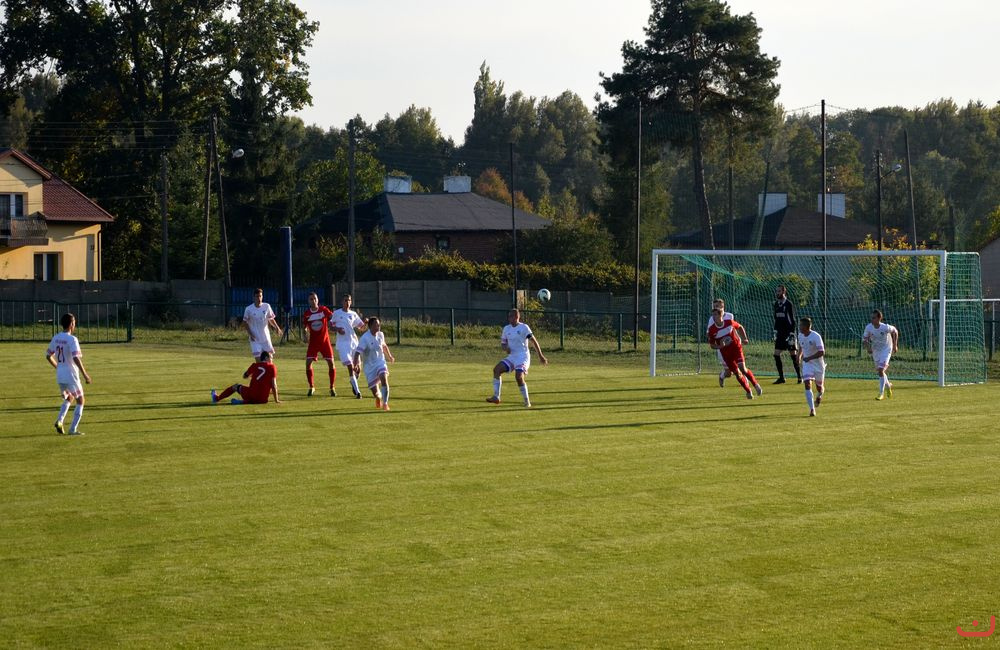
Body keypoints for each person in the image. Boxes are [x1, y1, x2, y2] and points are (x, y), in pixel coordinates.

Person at [486, 308, 548, 407]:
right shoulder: (506, 329)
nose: (509, 318)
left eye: (511, 316)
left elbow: (533, 341)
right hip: (512, 357)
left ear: (517, 317)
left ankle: (527, 401)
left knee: (518, 377)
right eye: (508, 316)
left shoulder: (524, 327)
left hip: (523, 356)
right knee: (496, 370)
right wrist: (506, 348)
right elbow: (503, 344)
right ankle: (496, 397)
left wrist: (540, 356)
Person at [46, 313, 92, 435]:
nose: (75, 324)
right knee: (81, 400)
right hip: (71, 375)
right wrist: (85, 374)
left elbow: (48, 355)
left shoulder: (56, 338)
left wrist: (58, 367)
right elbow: (76, 357)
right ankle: (73, 429)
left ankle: (60, 421)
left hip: (60, 376)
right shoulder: (72, 339)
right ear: (71, 324)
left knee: (69, 397)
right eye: (74, 322)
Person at [707, 307, 762, 400]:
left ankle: (756, 385)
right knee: (737, 373)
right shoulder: (712, 330)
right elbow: (712, 345)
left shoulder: (729, 322)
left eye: (716, 315)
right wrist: (720, 346)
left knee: (742, 368)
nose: (714, 317)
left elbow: (739, 327)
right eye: (713, 315)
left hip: (736, 349)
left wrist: (744, 338)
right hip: (726, 354)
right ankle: (748, 391)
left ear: (721, 315)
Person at [353, 316, 396, 411]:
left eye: (379, 325)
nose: (378, 327)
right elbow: (357, 352)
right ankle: (378, 397)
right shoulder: (365, 338)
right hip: (369, 367)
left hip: (380, 362)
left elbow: (384, 346)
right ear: (371, 326)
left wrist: (390, 356)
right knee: (375, 392)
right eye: (376, 325)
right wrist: (355, 364)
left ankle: (385, 403)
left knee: (384, 378)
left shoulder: (381, 335)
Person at [331, 293, 367, 398]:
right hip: (343, 344)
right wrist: (337, 329)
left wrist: (365, 323)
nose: (347, 302)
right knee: (350, 366)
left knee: (358, 369)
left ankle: (353, 381)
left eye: (349, 300)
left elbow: (361, 328)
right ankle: (358, 392)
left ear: (351, 302)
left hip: (354, 343)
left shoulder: (353, 314)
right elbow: (330, 326)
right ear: (342, 302)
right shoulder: (337, 313)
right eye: (345, 300)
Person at [211, 350, 280, 404]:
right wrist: (276, 400)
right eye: (271, 358)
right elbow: (274, 385)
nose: (272, 360)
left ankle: (217, 398)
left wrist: (251, 375)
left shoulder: (254, 365)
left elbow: (244, 376)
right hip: (263, 400)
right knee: (265, 390)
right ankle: (242, 401)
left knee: (235, 386)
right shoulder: (272, 367)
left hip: (251, 394)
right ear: (266, 358)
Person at [302, 291, 337, 396]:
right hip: (313, 343)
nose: (313, 301)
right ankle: (311, 387)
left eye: (315, 299)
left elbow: (332, 317)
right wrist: (305, 334)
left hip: (325, 341)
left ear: (318, 300)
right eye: (311, 299)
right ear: (308, 301)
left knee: (331, 363)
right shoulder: (307, 314)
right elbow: (304, 326)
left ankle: (332, 387)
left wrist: (332, 324)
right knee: (308, 363)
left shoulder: (323, 310)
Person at [862, 309, 899, 400]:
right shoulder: (869, 327)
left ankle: (881, 394)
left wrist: (895, 345)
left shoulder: (885, 327)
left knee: (881, 370)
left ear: (879, 318)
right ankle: (888, 385)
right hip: (876, 351)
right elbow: (864, 339)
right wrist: (868, 348)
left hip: (886, 349)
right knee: (880, 371)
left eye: (874, 318)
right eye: (871, 318)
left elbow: (895, 331)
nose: (872, 319)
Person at [796, 317, 826, 416]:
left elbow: (822, 352)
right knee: (807, 384)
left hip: (818, 365)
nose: (799, 327)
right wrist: (799, 356)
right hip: (807, 364)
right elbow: (801, 346)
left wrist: (809, 357)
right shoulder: (800, 335)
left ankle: (819, 395)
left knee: (819, 387)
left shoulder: (816, 336)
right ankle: (812, 409)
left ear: (806, 327)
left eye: (801, 325)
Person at [241, 288, 283, 361]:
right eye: (257, 296)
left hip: (265, 337)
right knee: (258, 360)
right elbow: (245, 322)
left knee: (269, 360)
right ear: (253, 297)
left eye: (260, 296)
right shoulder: (249, 309)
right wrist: (251, 334)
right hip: (255, 338)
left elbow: (271, 319)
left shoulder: (267, 306)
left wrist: (277, 328)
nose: (259, 298)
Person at [772, 284, 802, 384]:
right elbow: (776, 319)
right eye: (776, 291)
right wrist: (775, 331)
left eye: (779, 291)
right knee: (776, 354)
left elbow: (792, 320)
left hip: (789, 333)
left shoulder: (788, 304)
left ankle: (799, 377)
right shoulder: (776, 304)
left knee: (793, 354)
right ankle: (781, 378)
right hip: (780, 333)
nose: (777, 293)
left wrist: (792, 333)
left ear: (784, 292)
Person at [709, 298, 735, 387]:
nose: (715, 308)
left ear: (722, 306)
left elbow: (733, 329)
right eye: (714, 306)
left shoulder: (730, 316)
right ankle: (722, 376)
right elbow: (709, 333)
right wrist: (719, 343)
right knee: (729, 373)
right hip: (722, 349)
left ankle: (748, 386)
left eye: (717, 306)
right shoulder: (712, 319)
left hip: (732, 346)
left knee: (740, 366)